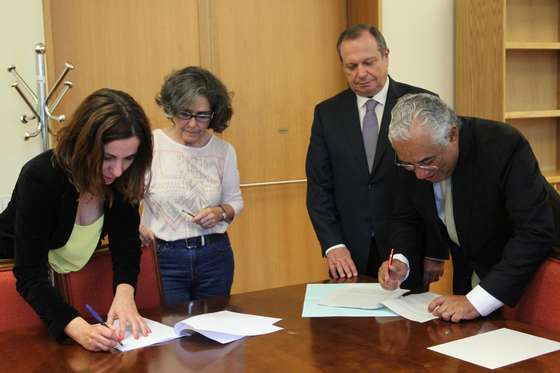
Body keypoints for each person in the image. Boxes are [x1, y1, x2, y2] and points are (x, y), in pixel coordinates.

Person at [379, 93, 560, 322]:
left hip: (534, 278)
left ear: (453, 135)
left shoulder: (503, 145)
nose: (420, 174)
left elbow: (535, 232)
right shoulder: (412, 154)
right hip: (473, 277)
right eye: (409, 165)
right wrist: (401, 262)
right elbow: (407, 216)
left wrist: (476, 301)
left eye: (427, 162)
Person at [0, 88, 154, 351]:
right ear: (83, 146)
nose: (117, 170)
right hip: (14, 282)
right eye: (107, 158)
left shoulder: (124, 180)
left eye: (128, 158)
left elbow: (125, 247)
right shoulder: (41, 177)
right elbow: (29, 273)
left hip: (54, 287)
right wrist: (78, 327)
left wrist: (125, 294)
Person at [305, 24, 439, 285]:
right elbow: (319, 187)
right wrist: (333, 245)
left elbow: (437, 184)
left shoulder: (422, 102)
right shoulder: (327, 114)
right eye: (351, 66)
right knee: (347, 326)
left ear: (386, 56)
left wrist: (436, 250)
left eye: (369, 62)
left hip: (408, 250)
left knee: (408, 325)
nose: (361, 73)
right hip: (349, 252)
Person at [140, 66, 243, 304]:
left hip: (214, 256)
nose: (193, 124)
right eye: (185, 114)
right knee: (171, 330)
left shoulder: (223, 151)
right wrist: (136, 226)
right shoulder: (151, 145)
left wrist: (220, 212)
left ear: (214, 114)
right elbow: (126, 197)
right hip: (164, 257)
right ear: (170, 109)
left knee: (216, 330)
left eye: (202, 116)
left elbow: (235, 201)